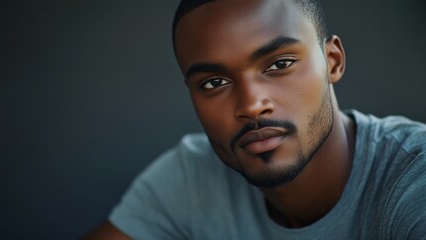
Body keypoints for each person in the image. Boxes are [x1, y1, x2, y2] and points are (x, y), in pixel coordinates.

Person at [82, 0, 426, 239]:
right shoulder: (192, 177)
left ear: (332, 61)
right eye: (214, 83)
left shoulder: (415, 177)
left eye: (280, 64)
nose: (251, 104)